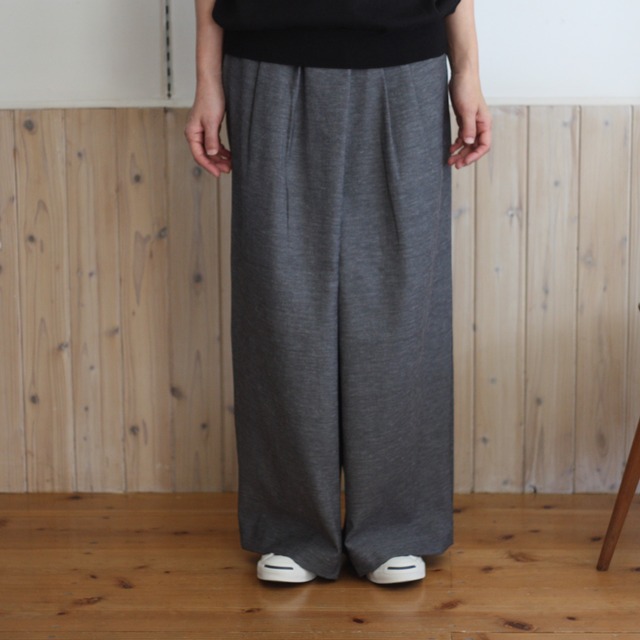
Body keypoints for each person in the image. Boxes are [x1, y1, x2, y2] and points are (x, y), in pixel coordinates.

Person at [185, 0, 491, 585]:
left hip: (405, 61)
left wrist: (468, 70)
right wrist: (207, 77)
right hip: (268, 61)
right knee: (280, 300)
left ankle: (396, 525)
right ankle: (292, 528)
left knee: (402, 301)